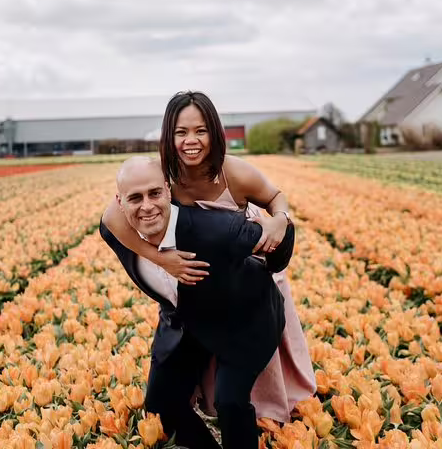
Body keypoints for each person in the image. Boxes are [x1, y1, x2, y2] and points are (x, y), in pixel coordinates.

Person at [102, 91, 316, 423]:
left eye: (200, 130)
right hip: (201, 279)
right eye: (181, 132)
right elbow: (110, 219)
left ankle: (264, 415)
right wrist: (159, 259)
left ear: (214, 132)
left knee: (249, 349)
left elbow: (276, 197)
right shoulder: (164, 174)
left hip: (245, 274)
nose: (191, 141)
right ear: (168, 136)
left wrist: (279, 219)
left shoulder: (233, 172)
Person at [100, 156, 296, 449]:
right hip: (182, 319)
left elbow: (283, 239)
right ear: (120, 202)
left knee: (229, 401)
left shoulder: (218, 230)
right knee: (160, 406)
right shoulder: (116, 232)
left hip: (245, 317)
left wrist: (277, 230)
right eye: (135, 198)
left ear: (168, 190)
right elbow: (108, 220)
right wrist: (158, 258)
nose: (147, 206)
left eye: (154, 193)